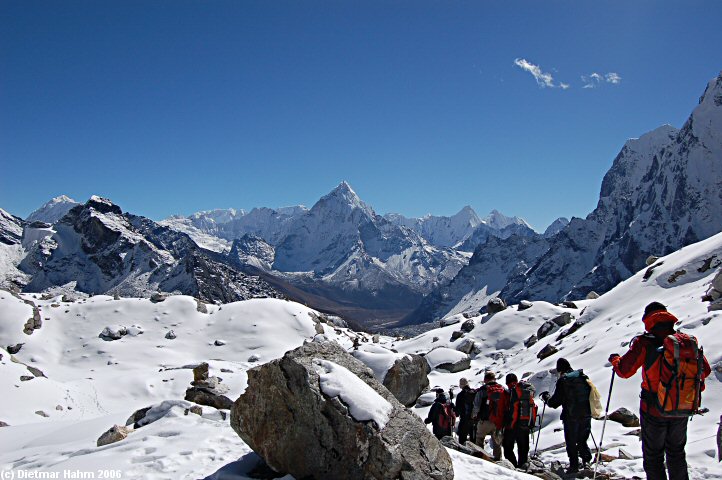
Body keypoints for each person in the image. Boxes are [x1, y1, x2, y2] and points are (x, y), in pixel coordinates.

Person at [608, 302, 711, 480]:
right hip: (681, 406)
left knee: (654, 456)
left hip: (653, 408)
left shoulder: (644, 343)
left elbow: (625, 371)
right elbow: (705, 370)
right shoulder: (683, 342)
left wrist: (615, 360)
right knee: (676, 453)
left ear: (648, 321)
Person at [540, 358, 593, 474]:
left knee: (571, 440)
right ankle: (586, 462)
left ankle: (574, 466)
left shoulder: (563, 381)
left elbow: (555, 402)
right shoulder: (582, 377)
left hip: (571, 416)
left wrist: (546, 398)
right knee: (582, 439)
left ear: (560, 370)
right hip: (586, 414)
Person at [472, 371, 506, 460]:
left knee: (479, 440)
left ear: (485, 380)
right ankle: (498, 460)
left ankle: (481, 459)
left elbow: (476, 405)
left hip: (484, 421)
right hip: (497, 421)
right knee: (497, 443)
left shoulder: (482, 391)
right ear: (494, 378)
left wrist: (474, 416)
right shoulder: (501, 389)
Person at [503, 373, 533, 469]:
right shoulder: (525, 389)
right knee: (523, 449)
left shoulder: (511, 392)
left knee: (507, 448)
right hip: (525, 425)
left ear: (507, 383)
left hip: (512, 426)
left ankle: (513, 467)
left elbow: (510, 409)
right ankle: (523, 467)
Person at [454, 378, 476, 444]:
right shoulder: (474, 393)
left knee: (462, 439)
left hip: (464, 420)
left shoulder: (460, 395)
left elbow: (457, 412)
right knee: (473, 439)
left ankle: (463, 452)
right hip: (474, 420)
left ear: (461, 385)